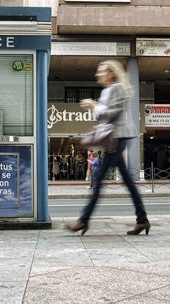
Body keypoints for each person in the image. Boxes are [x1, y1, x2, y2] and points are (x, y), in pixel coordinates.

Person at [66, 60, 150, 236]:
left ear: (111, 73)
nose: (98, 74)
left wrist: (94, 105)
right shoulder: (105, 91)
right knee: (127, 181)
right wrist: (94, 107)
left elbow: (113, 114)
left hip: (118, 138)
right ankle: (142, 220)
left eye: (101, 71)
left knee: (98, 178)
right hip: (113, 138)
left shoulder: (117, 88)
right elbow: (103, 118)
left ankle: (83, 220)